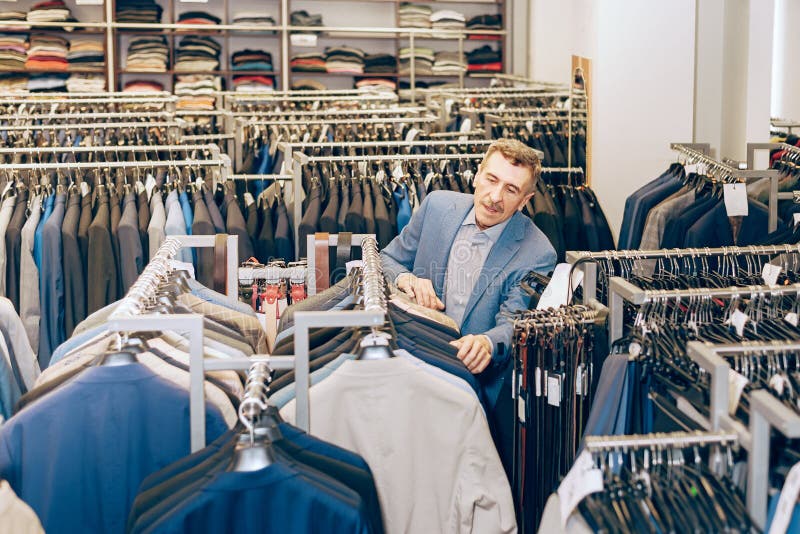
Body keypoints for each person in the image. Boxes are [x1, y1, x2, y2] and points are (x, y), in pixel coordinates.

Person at [380, 138, 557, 409]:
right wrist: (406, 279)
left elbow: (514, 322)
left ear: (525, 200)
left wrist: (487, 342)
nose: (495, 197)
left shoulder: (538, 252)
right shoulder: (436, 207)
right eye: (491, 179)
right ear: (476, 176)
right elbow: (387, 258)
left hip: (473, 389)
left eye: (511, 189)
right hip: (410, 366)